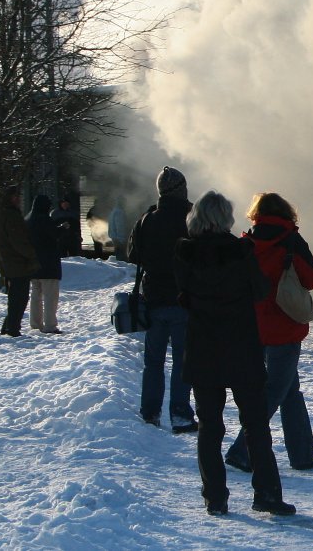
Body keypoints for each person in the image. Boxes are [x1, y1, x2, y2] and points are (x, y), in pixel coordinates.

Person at [173, 190, 295, 516]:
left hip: (203, 350)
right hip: (242, 348)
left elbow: (181, 296)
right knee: (255, 425)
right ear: (225, 218)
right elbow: (260, 290)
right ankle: (266, 494)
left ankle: (215, 497)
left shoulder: (186, 254)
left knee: (209, 427)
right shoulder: (241, 252)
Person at [224, 192, 313, 474]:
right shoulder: (291, 241)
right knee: (275, 392)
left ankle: (303, 455)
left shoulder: (245, 243)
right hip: (284, 328)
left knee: (289, 390)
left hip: (252, 328)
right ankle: (241, 451)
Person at [127, 166, 197, 433]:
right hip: (183, 299)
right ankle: (180, 413)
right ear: (182, 189)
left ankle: (150, 412)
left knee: (153, 361)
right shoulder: (191, 219)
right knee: (183, 359)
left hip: (154, 298)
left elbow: (134, 255)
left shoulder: (147, 219)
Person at [0, 184, 37, 336]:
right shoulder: (10, 214)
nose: (18, 199)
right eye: (15, 196)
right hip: (16, 262)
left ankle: (9, 326)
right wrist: (31, 254)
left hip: (8, 261)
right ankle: (12, 327)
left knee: (15, 297)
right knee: (20, 297)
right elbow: (17, 240)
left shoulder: (0, 212)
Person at [25, 195, 63, 334]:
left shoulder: (28, 219)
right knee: (50, 296)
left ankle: (35, 324)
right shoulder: (45, 219)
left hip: (33, 265)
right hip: (49, 265)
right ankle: (50, 326)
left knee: (35, 295)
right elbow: (53, 234)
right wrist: (62, 228)